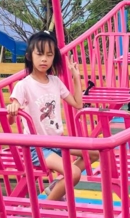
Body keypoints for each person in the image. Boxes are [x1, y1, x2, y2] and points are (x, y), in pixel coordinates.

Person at [6, 31, 84, 200]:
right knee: (75, 173)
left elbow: (78, 104)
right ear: (29, 56)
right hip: (37, 146)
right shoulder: (24, 85)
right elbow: (11, 121)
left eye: (49, 55)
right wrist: (13, 109)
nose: (44, 59)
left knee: (92, 153)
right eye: (39, 54)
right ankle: (47, 208)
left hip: (57, 141)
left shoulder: (55, 81)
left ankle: (56, 186)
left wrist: (76, 77)